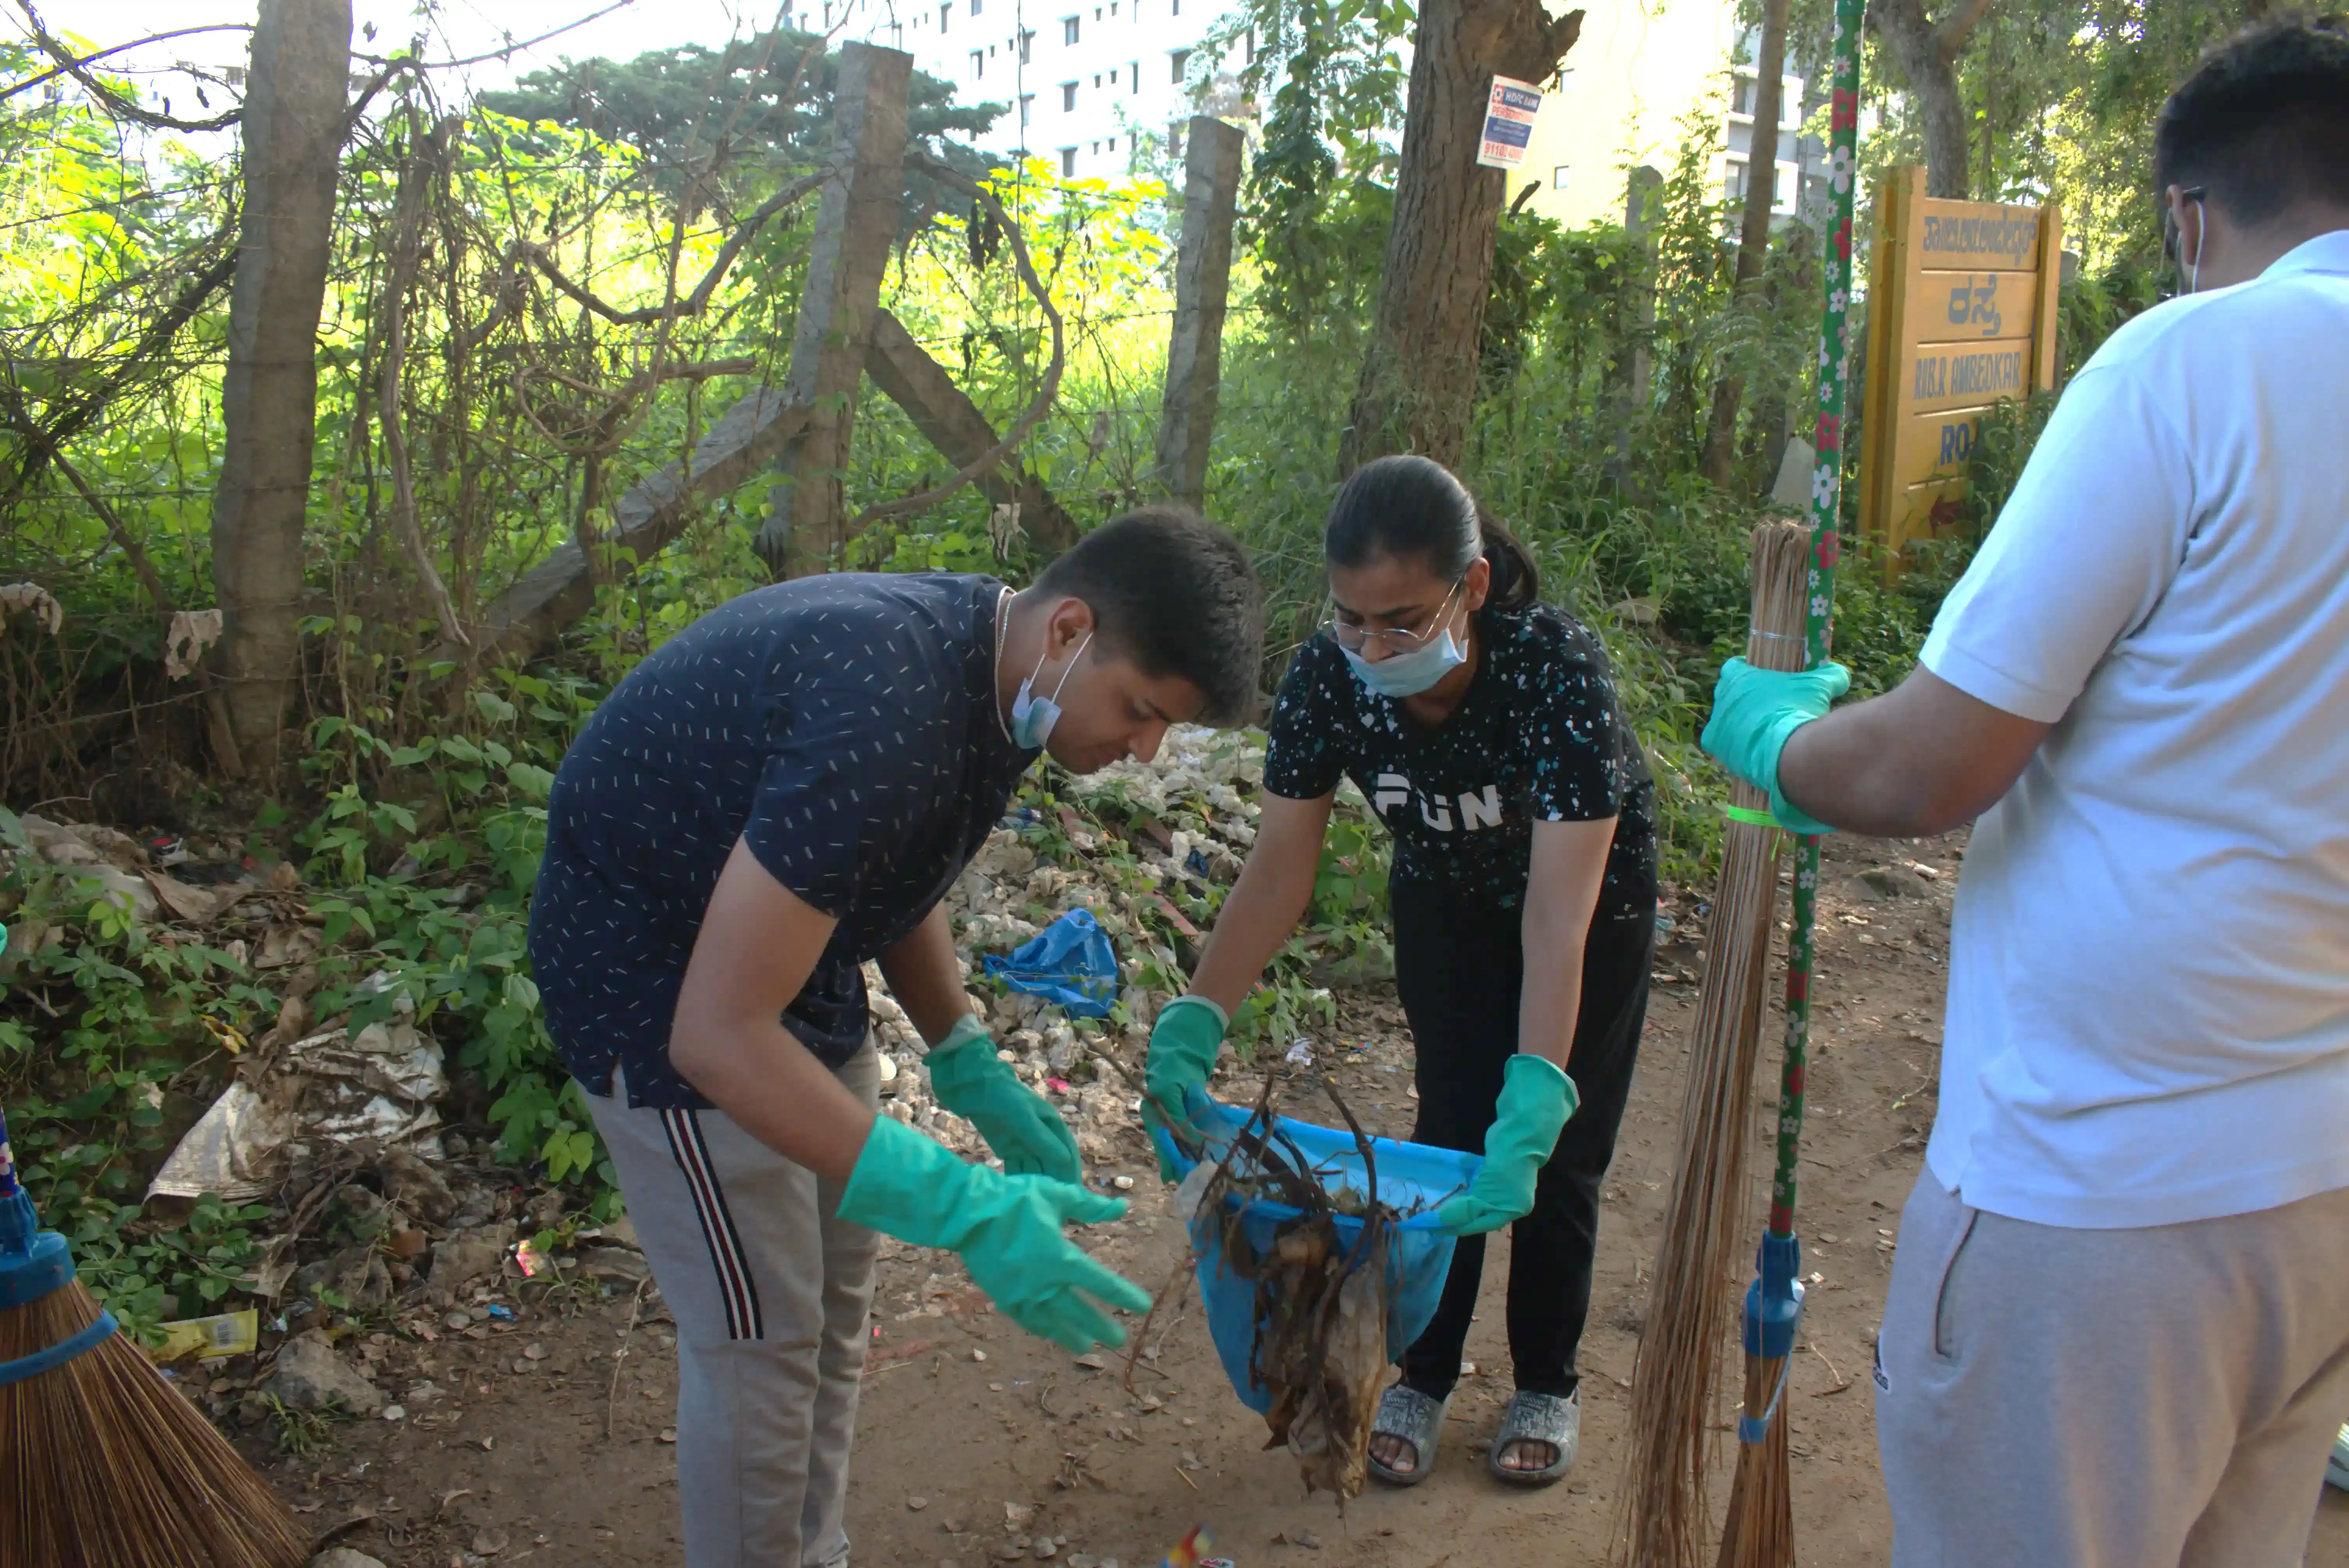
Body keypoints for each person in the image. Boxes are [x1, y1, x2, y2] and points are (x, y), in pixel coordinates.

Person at [1700, 20, 2349, 1567]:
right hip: (2321, 1180)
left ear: (2189, 216)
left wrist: (1776, 743)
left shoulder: (2198, 360)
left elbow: (1934, 763)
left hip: (2108, 1188)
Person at [526, 509, 1263, 1568]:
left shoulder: (1005, 679)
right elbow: (718, 1037)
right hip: (659, 990)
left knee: (831, 1318)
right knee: (760, 1341)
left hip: (791, 963)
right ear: (1069, 629)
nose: (1142, 749)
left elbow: (887, 855)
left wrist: (964, 1056)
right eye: (1141, 711)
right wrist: (958, 1204)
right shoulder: (888, 703)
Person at [1144, 455, 1658, 1488]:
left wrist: (1539, 1087)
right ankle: (1423, 1370)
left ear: (1470, 589)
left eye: (1404, 622)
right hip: (1446, 899)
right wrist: (1198, 1014)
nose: (1374, 647)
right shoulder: (1329, 679)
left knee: (1549, 1155)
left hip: (1586, 903)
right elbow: (1279, 871)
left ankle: (1547, 1380)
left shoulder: (1554, 669)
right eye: (1352, 619)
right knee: (1447, 1134)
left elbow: (1561, 919)